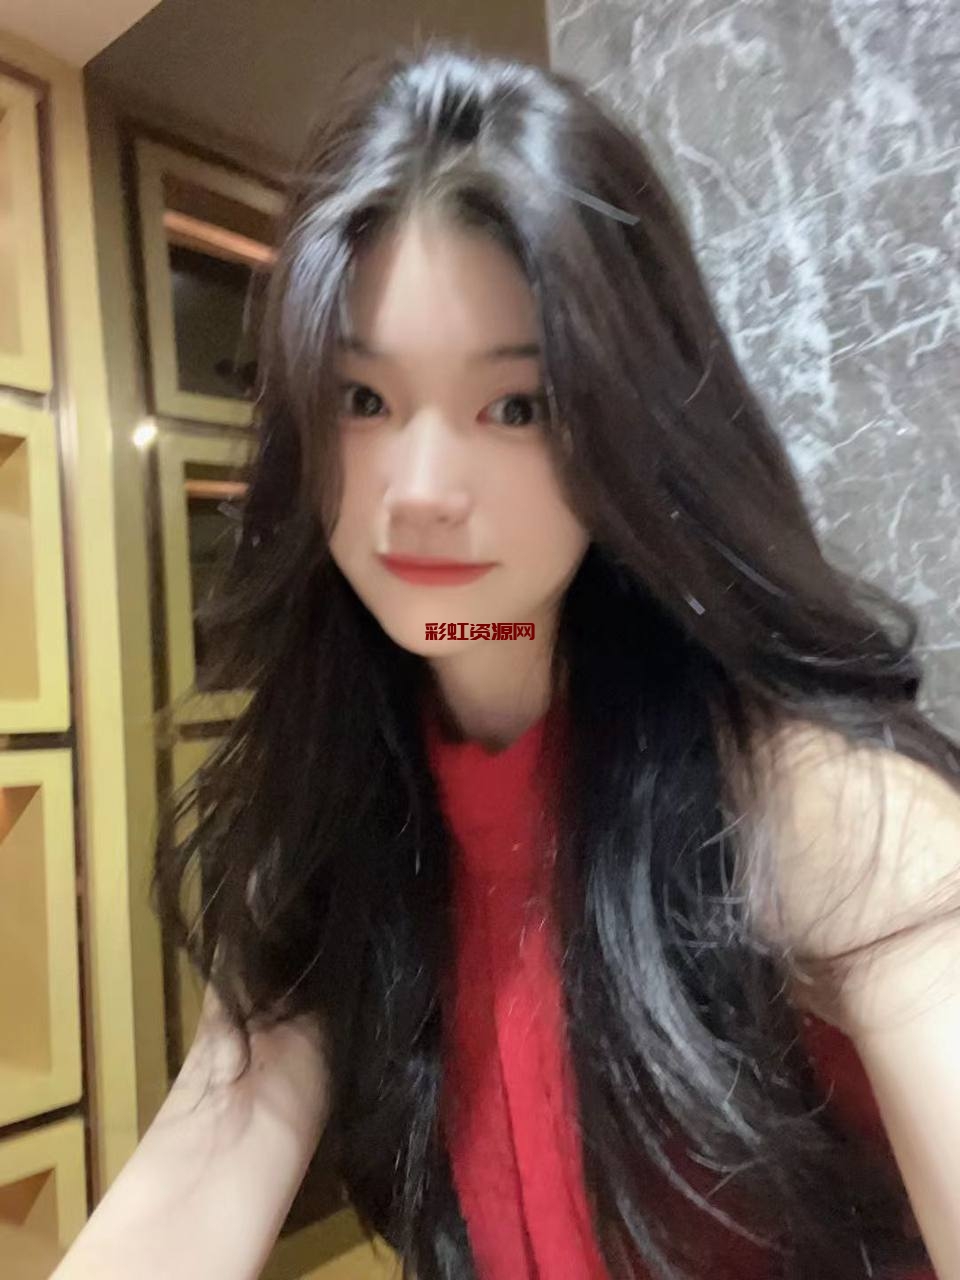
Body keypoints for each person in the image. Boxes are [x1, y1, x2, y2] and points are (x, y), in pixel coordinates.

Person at [54, 40, 960, 1280]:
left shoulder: (810, 807)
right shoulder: (339, 813)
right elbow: (208, 1154)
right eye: (363, 400)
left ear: (628, 423)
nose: (420, 489)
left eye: (515, 405)